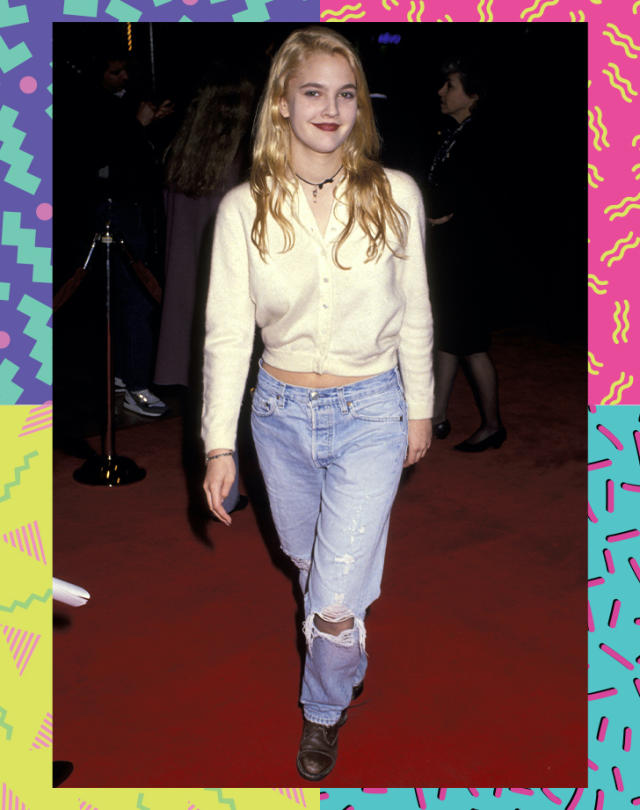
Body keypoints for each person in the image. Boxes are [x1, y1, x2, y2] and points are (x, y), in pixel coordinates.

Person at [201, 27, 434, 780]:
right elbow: (228, 333)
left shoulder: (396, 193)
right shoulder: (243, 208)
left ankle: (323, 711)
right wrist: (217, 444)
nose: (330, 108)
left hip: (372, 410)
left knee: (331, 601)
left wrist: (421, 407)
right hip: (278, 417)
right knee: (308, 565)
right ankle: (345, 640)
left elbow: (418, 311)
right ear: (281, 103)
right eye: (312, 92)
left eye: (345, 93)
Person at [155, 64, 255, 515]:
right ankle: (231, 489)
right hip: (229, 298)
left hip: (186, 296)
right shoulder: (241, 173)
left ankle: (219, 486)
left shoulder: (180, 161)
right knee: (236, 395)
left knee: (207, 395)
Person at [87, 49, 174, 417]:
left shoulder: (129, 100)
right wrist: (138, 126)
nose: (123, 78)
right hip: (112, 210)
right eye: (114, 71)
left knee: (128, 299)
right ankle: (135, 384)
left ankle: (125, 375)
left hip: (135, 208)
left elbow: (138, 158)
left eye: (125, 71)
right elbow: (101, 161)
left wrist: (150, 124)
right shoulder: (88, 104)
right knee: (133, 298)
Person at [425, 57, 506, 451]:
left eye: (451, 86)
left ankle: (493, 426)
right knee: (448, 336)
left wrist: (447, 216)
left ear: (472, 95)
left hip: (469, 258)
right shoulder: (456, 132)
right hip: (452, 253)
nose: (442, 91)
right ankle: (437, 416)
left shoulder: (481, 136)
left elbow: (485, 199)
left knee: (471, 343)